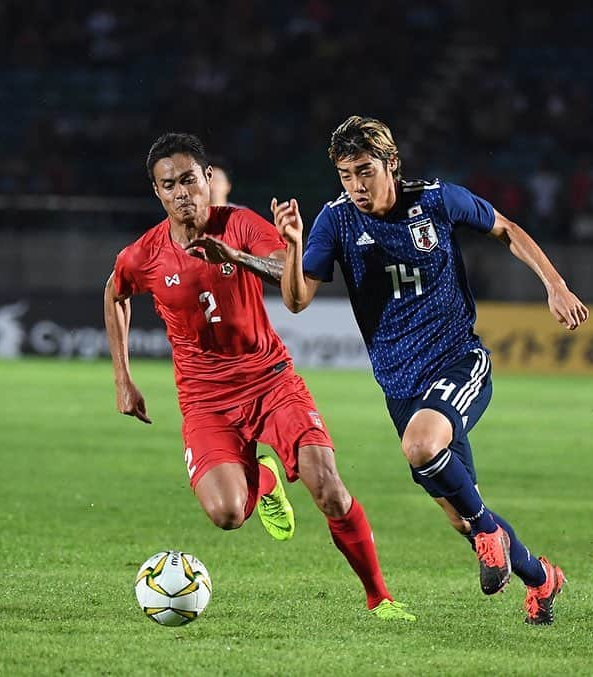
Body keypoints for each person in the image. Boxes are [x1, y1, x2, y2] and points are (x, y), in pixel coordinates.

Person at [271, 115, 589, 625]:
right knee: (462, 516)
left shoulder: (436, 199)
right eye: (346, 174)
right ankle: (542, 578)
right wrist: (292, 243)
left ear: (391, 164)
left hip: (458, 359)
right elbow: (296, 301)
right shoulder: (336, 221)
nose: (356, 185)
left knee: (424, 452)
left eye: (365, 171)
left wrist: (555, 284)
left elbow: (505, 228)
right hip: (399, 385)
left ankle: (490, 532)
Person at [103, 132, 414, 621]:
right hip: (205, 400)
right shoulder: (144, 255)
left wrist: (245, 254)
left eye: (189, 179)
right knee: (227, 515)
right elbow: (115, 292)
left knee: (328, 489)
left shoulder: (240, 224)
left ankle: (380, 597)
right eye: (170, 185)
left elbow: (285, 272)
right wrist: (123, 377)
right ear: (158, 194)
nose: (182, 192)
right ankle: (265, 480)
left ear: (208, 179)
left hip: (271, 381)